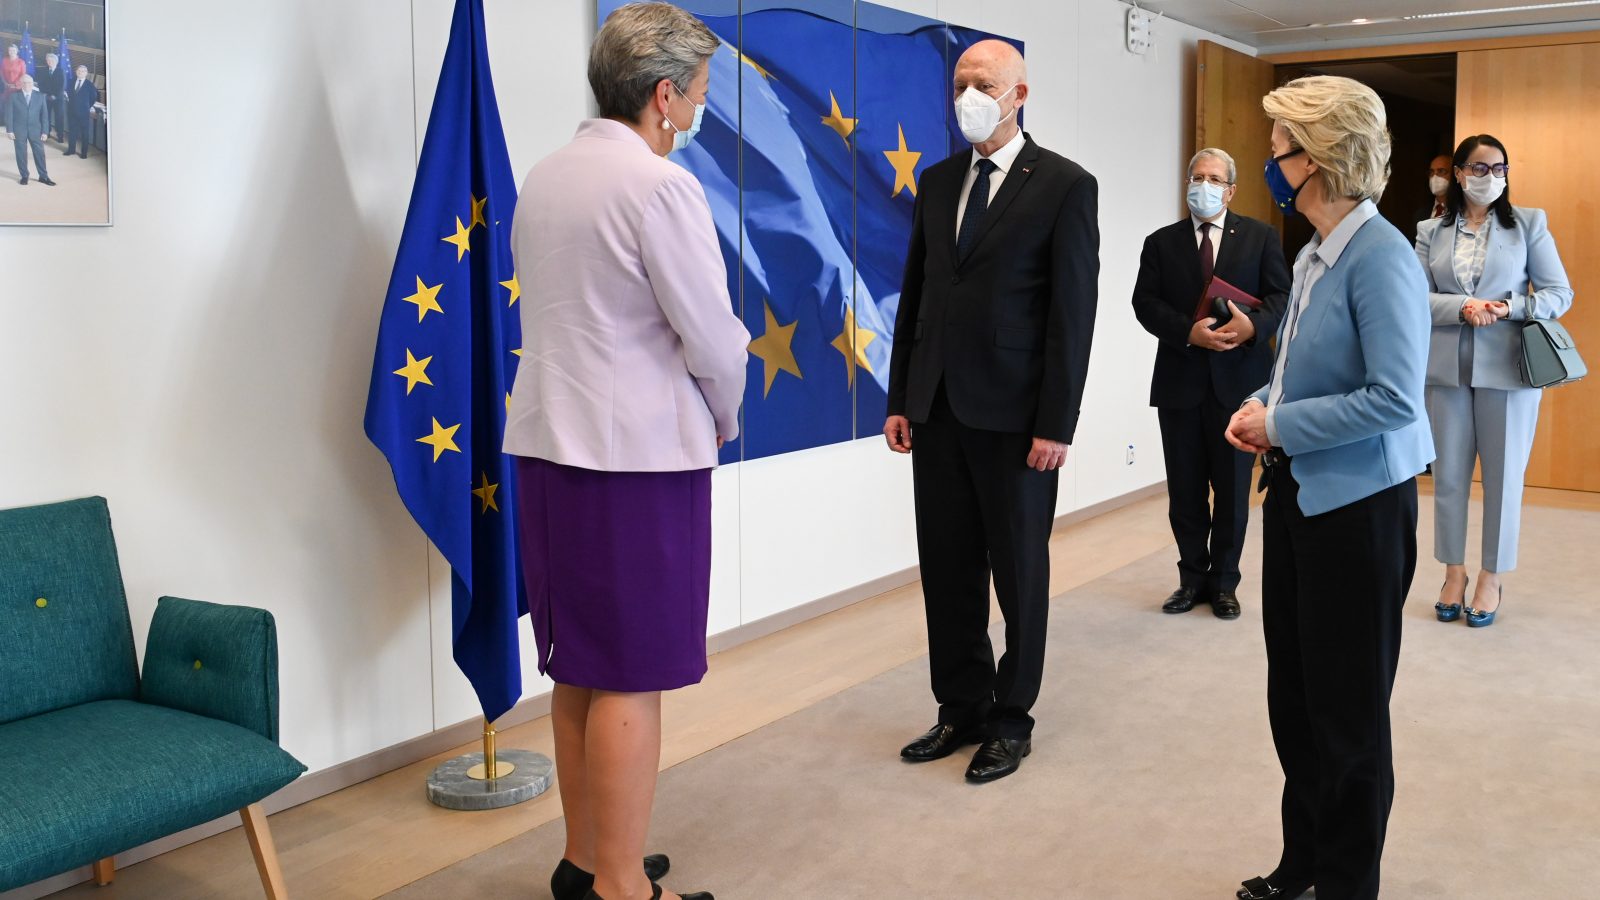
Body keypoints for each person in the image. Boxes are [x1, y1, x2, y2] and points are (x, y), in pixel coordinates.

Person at [502, 4, 748, 900]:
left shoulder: (546, 176)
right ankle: (620, 887)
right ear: (663, 95)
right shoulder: (658, 187)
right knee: (633, 676)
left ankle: (585, 861)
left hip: (548, 452)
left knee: (580, 665)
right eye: (699, 93)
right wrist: (724, 415)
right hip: (636, 463)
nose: (699, 109)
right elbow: (712, 339)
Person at [1226, 75, 1433, 900]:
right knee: (1297, 698)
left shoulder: (1382, 258)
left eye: (1277, 148)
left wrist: (1278, 426)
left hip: (1359, 513)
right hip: (1300, 498)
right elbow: (1298, 374)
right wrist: (1261, 405)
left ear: (1314, 159)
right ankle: (1305, 861)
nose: (1269, 161)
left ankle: (1348, 882)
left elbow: (1394, 399)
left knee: (1347, 713)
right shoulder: (1314, 250)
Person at [885, 38, 1099, 783]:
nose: (968, 97)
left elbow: (1072, 315)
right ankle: (962, 707)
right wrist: (902, 398)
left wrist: (1056, 425)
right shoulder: (939, 181)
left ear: (1019, 95)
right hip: (938, 410)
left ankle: (1012, 720)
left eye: (984, 84)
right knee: (947, 571)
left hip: (1016, 421)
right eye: (960, 85)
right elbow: (918, 294)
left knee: (1018, 574)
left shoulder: (1065, 185)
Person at [1415, 134, 1572, 628]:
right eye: (1480, 168)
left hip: (1509, 369)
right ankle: (1453, 572)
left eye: (1499, 168)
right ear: (1459, 174)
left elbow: (1558, 293)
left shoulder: (1528, 223)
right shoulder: (1430, 230)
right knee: (1448, 477)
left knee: (1504, 479)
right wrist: (1462, 306)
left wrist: (1509, 307)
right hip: (1445, 369)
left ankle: (1491, 576)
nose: (1491, 177)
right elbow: (1413, 296)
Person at [1132, 147, 1290, 620]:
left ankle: (1224, 583)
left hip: (1240, 387)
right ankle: (1190, 579)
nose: (1204, 185)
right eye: (1197, 177)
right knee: (1184, 492)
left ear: (1231, 190)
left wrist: (1253, 327)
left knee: (1233, 491)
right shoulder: (1161, 242)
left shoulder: (1260, 237)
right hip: (1179, 383)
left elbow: (1281, 296)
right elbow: (1144, 303)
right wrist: (1188, 331)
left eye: (1215, 179)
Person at [6, 75, 54, 187]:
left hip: (36, 130)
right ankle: (24, 176)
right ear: (20, 84)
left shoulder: (40, 96)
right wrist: (10, 130)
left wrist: (45, 132)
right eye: (25, 82)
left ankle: (43, 176)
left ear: (33, 84)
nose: (27, 85)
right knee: (21, 154)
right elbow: (9, 114)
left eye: (30, 83)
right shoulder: (13, 96)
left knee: (40, 154)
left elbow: (44, 116)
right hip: (19, 130)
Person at [1411, 153, 1452, 240]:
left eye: (1441, 171)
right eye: (1431, 172)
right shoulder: (1420, 215)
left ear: (1455, 174)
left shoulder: (1463, 213)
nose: (1434, 177)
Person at [66, 64, 97, 159]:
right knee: (72, 132)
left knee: (85, 133)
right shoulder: (71, 81)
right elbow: (69, 93)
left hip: (84, 112)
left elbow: (93, 98)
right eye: (79, 71)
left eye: (83, 71)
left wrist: (86, 106)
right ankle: (71, 150)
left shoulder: (90, 85)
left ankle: (84, 153)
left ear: (86, 73)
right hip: (72, 111)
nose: (80, 73)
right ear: (76, 72)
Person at [37, 53, 64, 143]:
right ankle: (46, 133)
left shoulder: (61, 71)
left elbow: (62, 85)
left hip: (58, 98)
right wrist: (45, 94)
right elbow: (40, 83)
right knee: (46, 116)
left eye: (52, 61)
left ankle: (60, 135)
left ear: (56, 62)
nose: (50, 62)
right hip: (46, 97)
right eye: (48, 60)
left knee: (59, 117)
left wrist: (55, 95)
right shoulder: (43, 70)